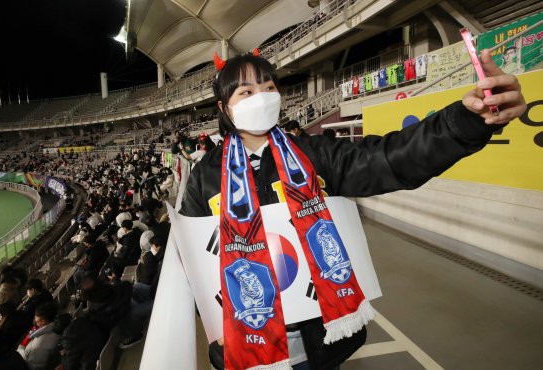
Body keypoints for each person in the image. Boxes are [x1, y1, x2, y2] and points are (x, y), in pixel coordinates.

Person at [179, 51, 526, 369]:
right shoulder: (205, 178)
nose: (263, 97)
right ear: (225, 108)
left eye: (268, 86)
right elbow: (197, 267)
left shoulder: (315, 154)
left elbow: (388, 159)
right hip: (250, 341)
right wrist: (213, 322)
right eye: (247, 92)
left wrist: (464, 123)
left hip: (321, 337)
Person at [18, 302, 61, 370]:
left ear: (43, 321)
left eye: (36, 316)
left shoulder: (39, 344)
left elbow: (30, 364)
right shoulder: (56, 325)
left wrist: (21, 348)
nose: (34, 318)